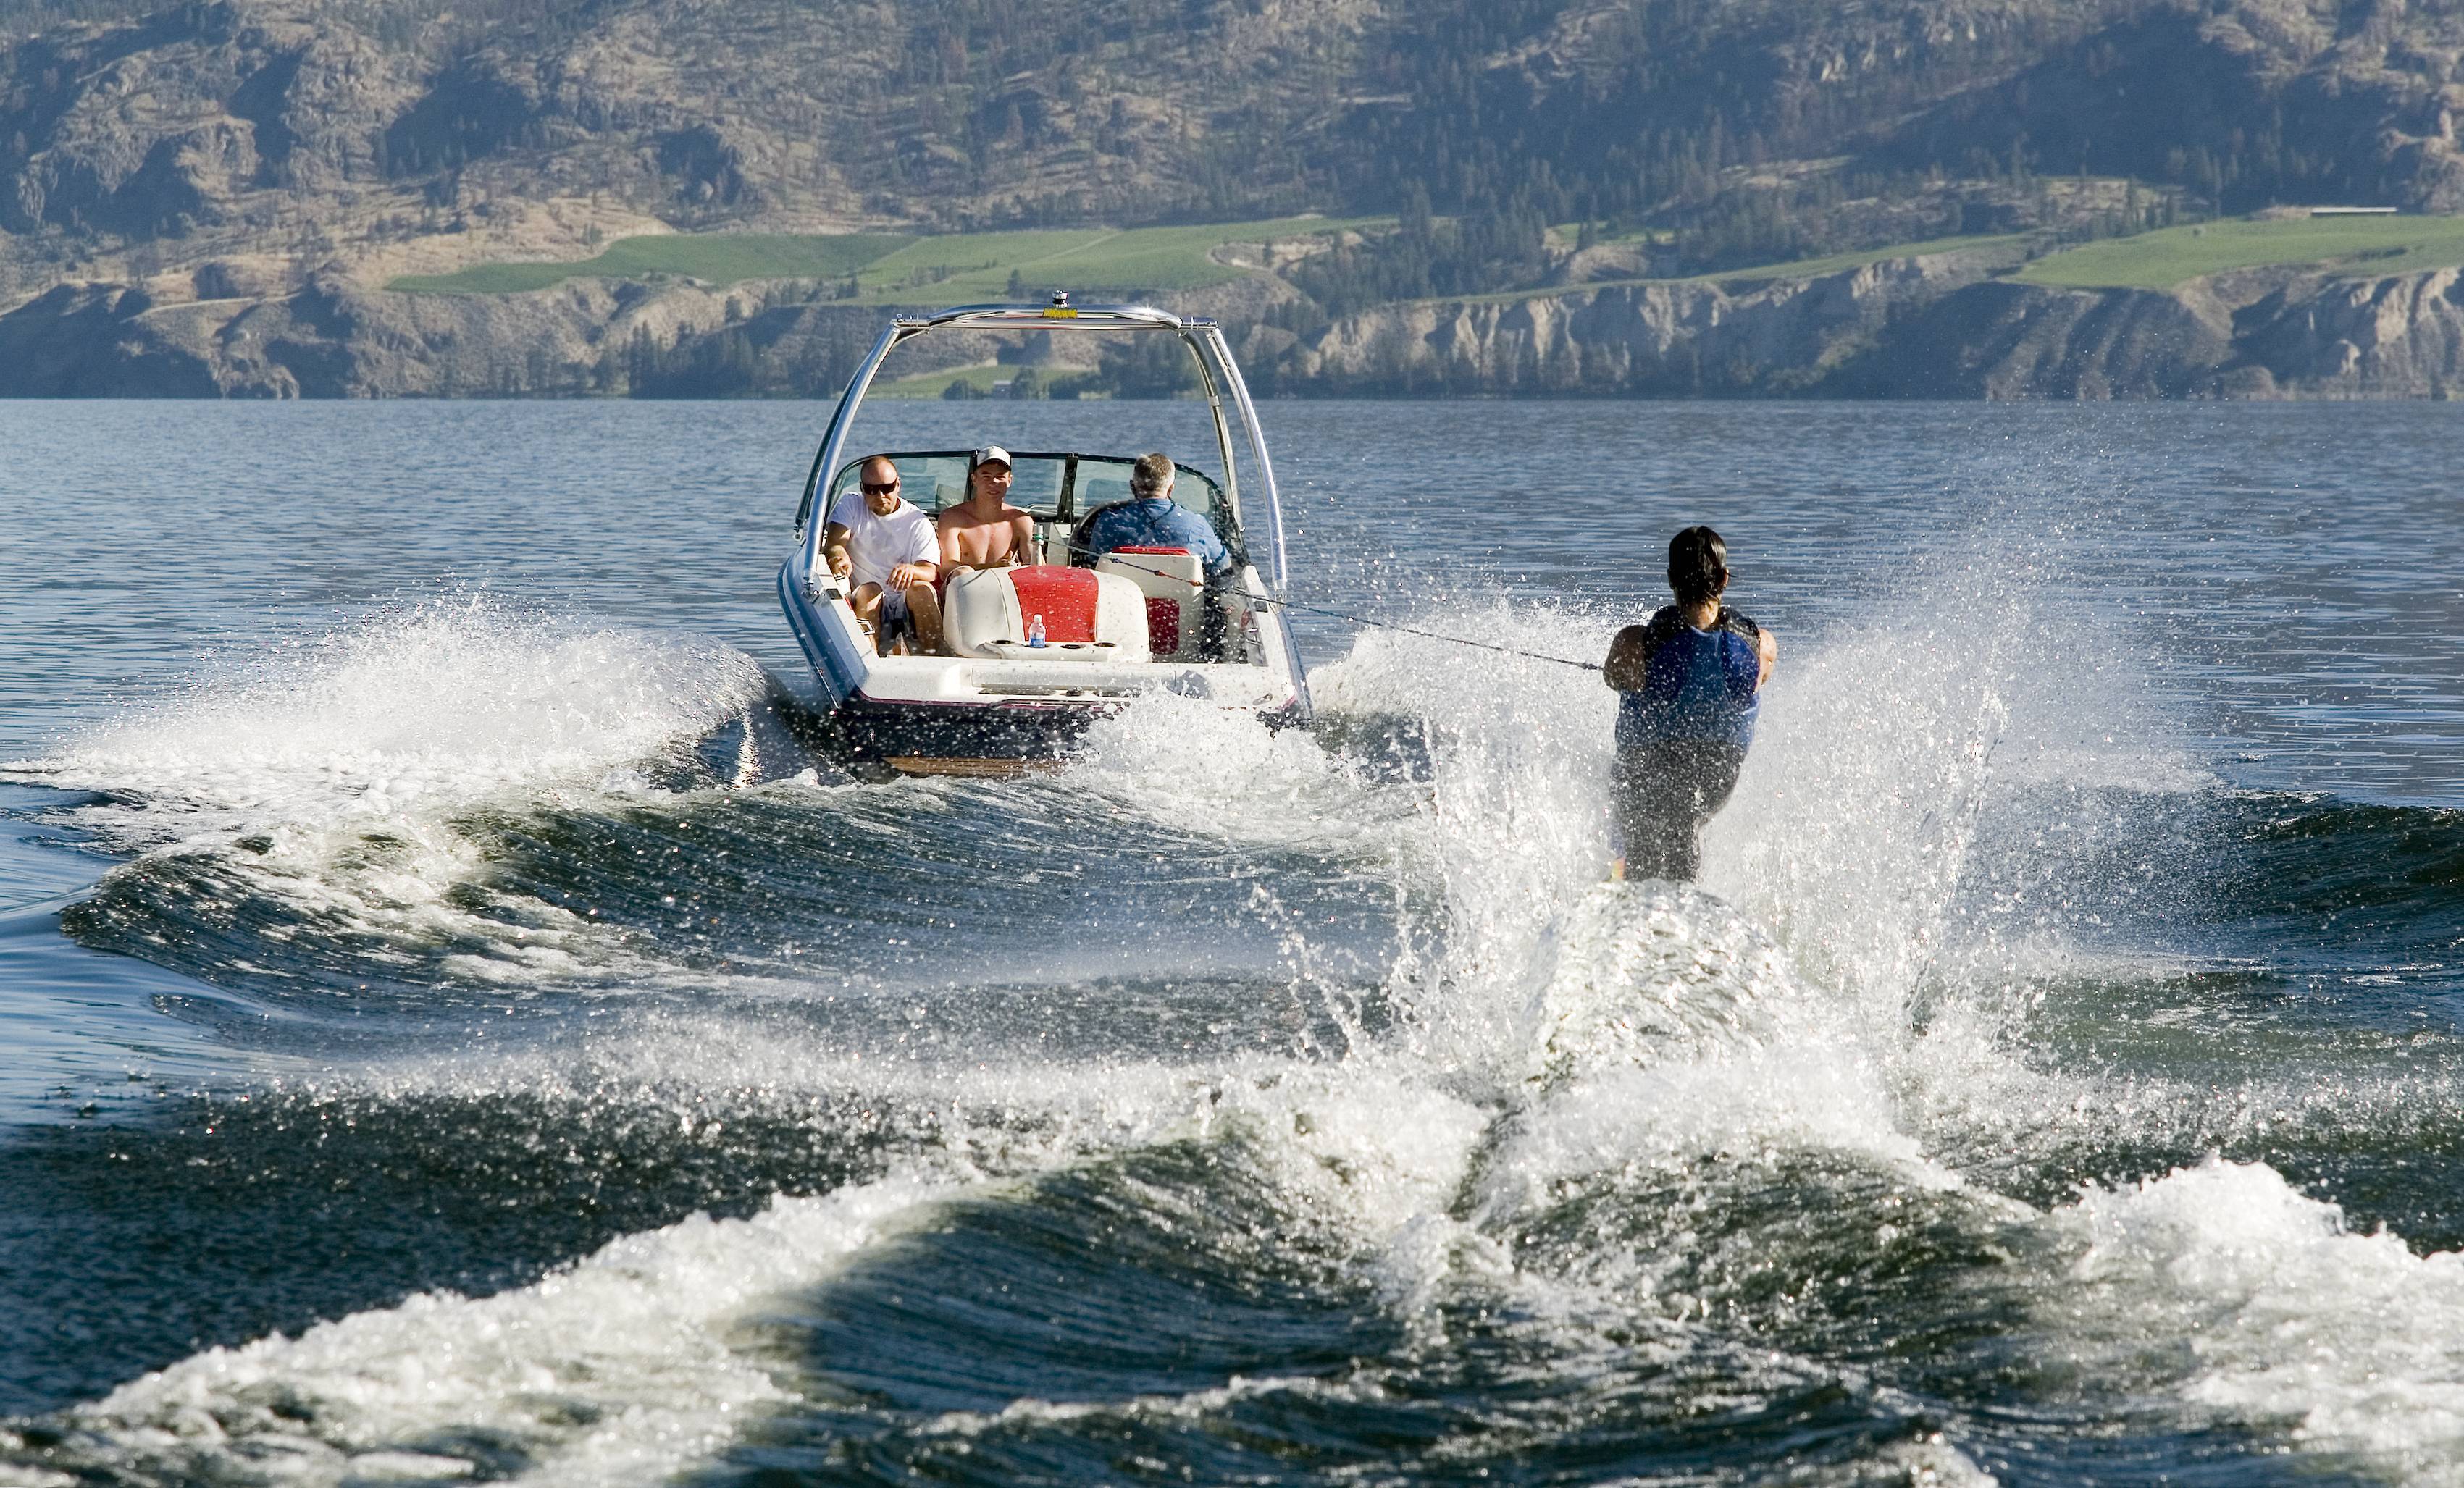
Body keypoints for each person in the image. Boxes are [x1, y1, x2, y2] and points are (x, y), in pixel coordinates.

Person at [1602, 526, 1778, 883]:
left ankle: (1634, 888)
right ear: (1725, 578)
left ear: (1671, 579)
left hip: (1647, 773)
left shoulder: (1635, 643)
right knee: (1683, 821)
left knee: (1647, 825)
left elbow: (1612, 677)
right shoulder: (1762, 647)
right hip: (1717, 776)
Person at [824, 455, 942, 655]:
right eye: (872, 490)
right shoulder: (851, 505)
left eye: (887, 489)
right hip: (864, 595)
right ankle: (869, 661)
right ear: (862, 489)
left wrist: (911, 570)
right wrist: (839, 554)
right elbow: (835, 543)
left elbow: (930, 572)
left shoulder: (916, 520)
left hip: (903, 598)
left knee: (921, 590)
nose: (880, 496)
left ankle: (933, 657)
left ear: (898, 485)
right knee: (871, 591)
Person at [1073, 451, 1231, 576]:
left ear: (1132, 486)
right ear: (1171, 489)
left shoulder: (1108, 522)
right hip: (1183, 613)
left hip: (1120, 610)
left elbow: (1092, 562)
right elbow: (1223, 565)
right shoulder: (1196, 525)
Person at [937, 446, 1039, 572]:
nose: (994, 482)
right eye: (986, 476)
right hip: (960, 586)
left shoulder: (1021, 521)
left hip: (1004, 586)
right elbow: (946, 567)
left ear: (1009, 481)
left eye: (1000, 476)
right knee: (962, 572)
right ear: (974, 479)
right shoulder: (952, 518)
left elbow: (1037, 569)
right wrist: (992, 568)